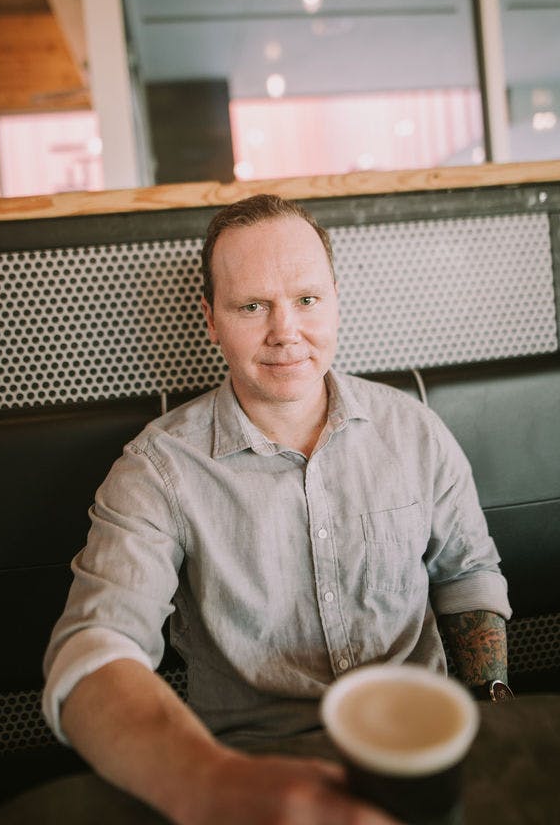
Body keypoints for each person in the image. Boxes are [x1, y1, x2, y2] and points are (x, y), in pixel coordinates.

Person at [43, 194, 512, 825]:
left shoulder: (415, 431)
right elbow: (93, 652)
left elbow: (466, 575)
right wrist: (211, 785)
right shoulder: (157, 470)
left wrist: (495, 708)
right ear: (210, 319)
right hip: (248, 772)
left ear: (336, 300)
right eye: (252, 305)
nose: (285, 330)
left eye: (307, 300)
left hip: (420, 753)